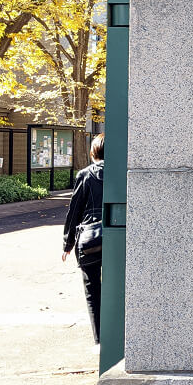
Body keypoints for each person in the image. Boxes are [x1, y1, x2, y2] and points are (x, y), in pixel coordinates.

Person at [63, 134, 105, 346]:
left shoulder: (85, 175)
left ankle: (100, 340)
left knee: (92, 290)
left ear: (93, 152)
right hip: (115, 240)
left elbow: (74, 211)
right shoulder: (120, 174)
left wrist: (67, 244)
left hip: (89, 241)